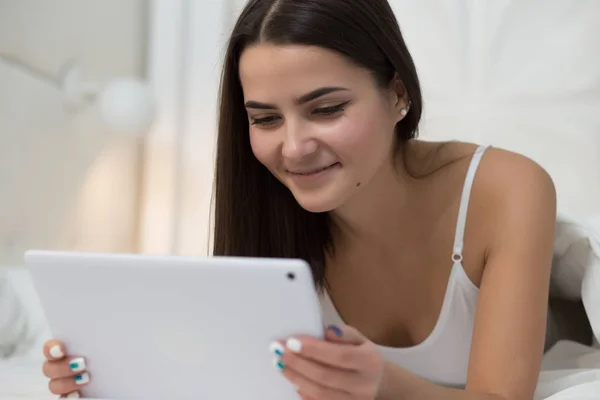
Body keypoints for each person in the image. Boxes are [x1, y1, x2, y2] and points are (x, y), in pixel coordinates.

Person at [40, 0, 558, 398]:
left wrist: (382, 386)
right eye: (265, 119)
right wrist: (109, 375)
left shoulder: (505, 189)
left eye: (327, 108)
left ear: (398, 93)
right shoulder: (265, 218)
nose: (293, 147)